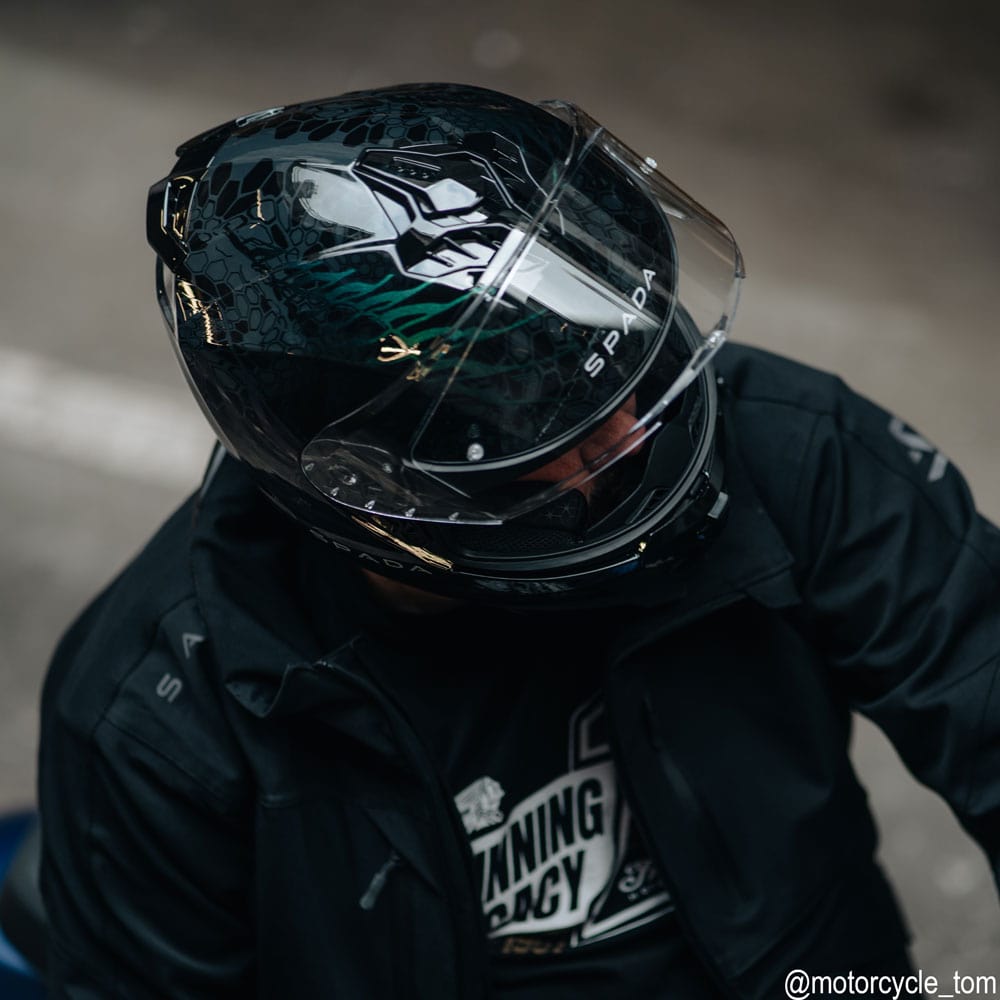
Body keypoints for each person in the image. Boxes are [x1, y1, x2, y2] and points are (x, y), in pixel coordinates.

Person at [36, 82, 999, 999]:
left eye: (619, 348)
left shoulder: (790, 447)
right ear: (385, 485)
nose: (632, 431)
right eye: (547, 417)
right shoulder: (158, 720)